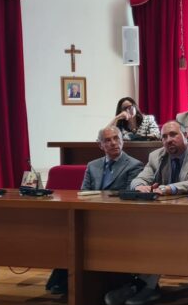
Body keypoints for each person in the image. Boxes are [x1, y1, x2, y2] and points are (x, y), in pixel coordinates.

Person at [105, 121, 188, 305]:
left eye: (173, 135)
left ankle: (143, 286)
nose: (168, 140)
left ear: (185, 136)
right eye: (164, 137)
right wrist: (140, 186)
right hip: (168, 218)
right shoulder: (156, 156)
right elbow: (139, 179)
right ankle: (141, 284)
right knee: (141, 230)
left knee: (160, 232)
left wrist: (169, 188)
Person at [46, 125, 144, 295]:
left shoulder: (134, 165)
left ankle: (79, 282)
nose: (113, 143)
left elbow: (127, 195)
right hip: (90, 215)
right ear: (100, 145)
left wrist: (99, 197)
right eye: (108, 140)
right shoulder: (92, 166)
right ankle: (67, 279)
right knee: (71, 233)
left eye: (116, 138)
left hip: (117, 220)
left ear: (122, 141)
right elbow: (83, 193)